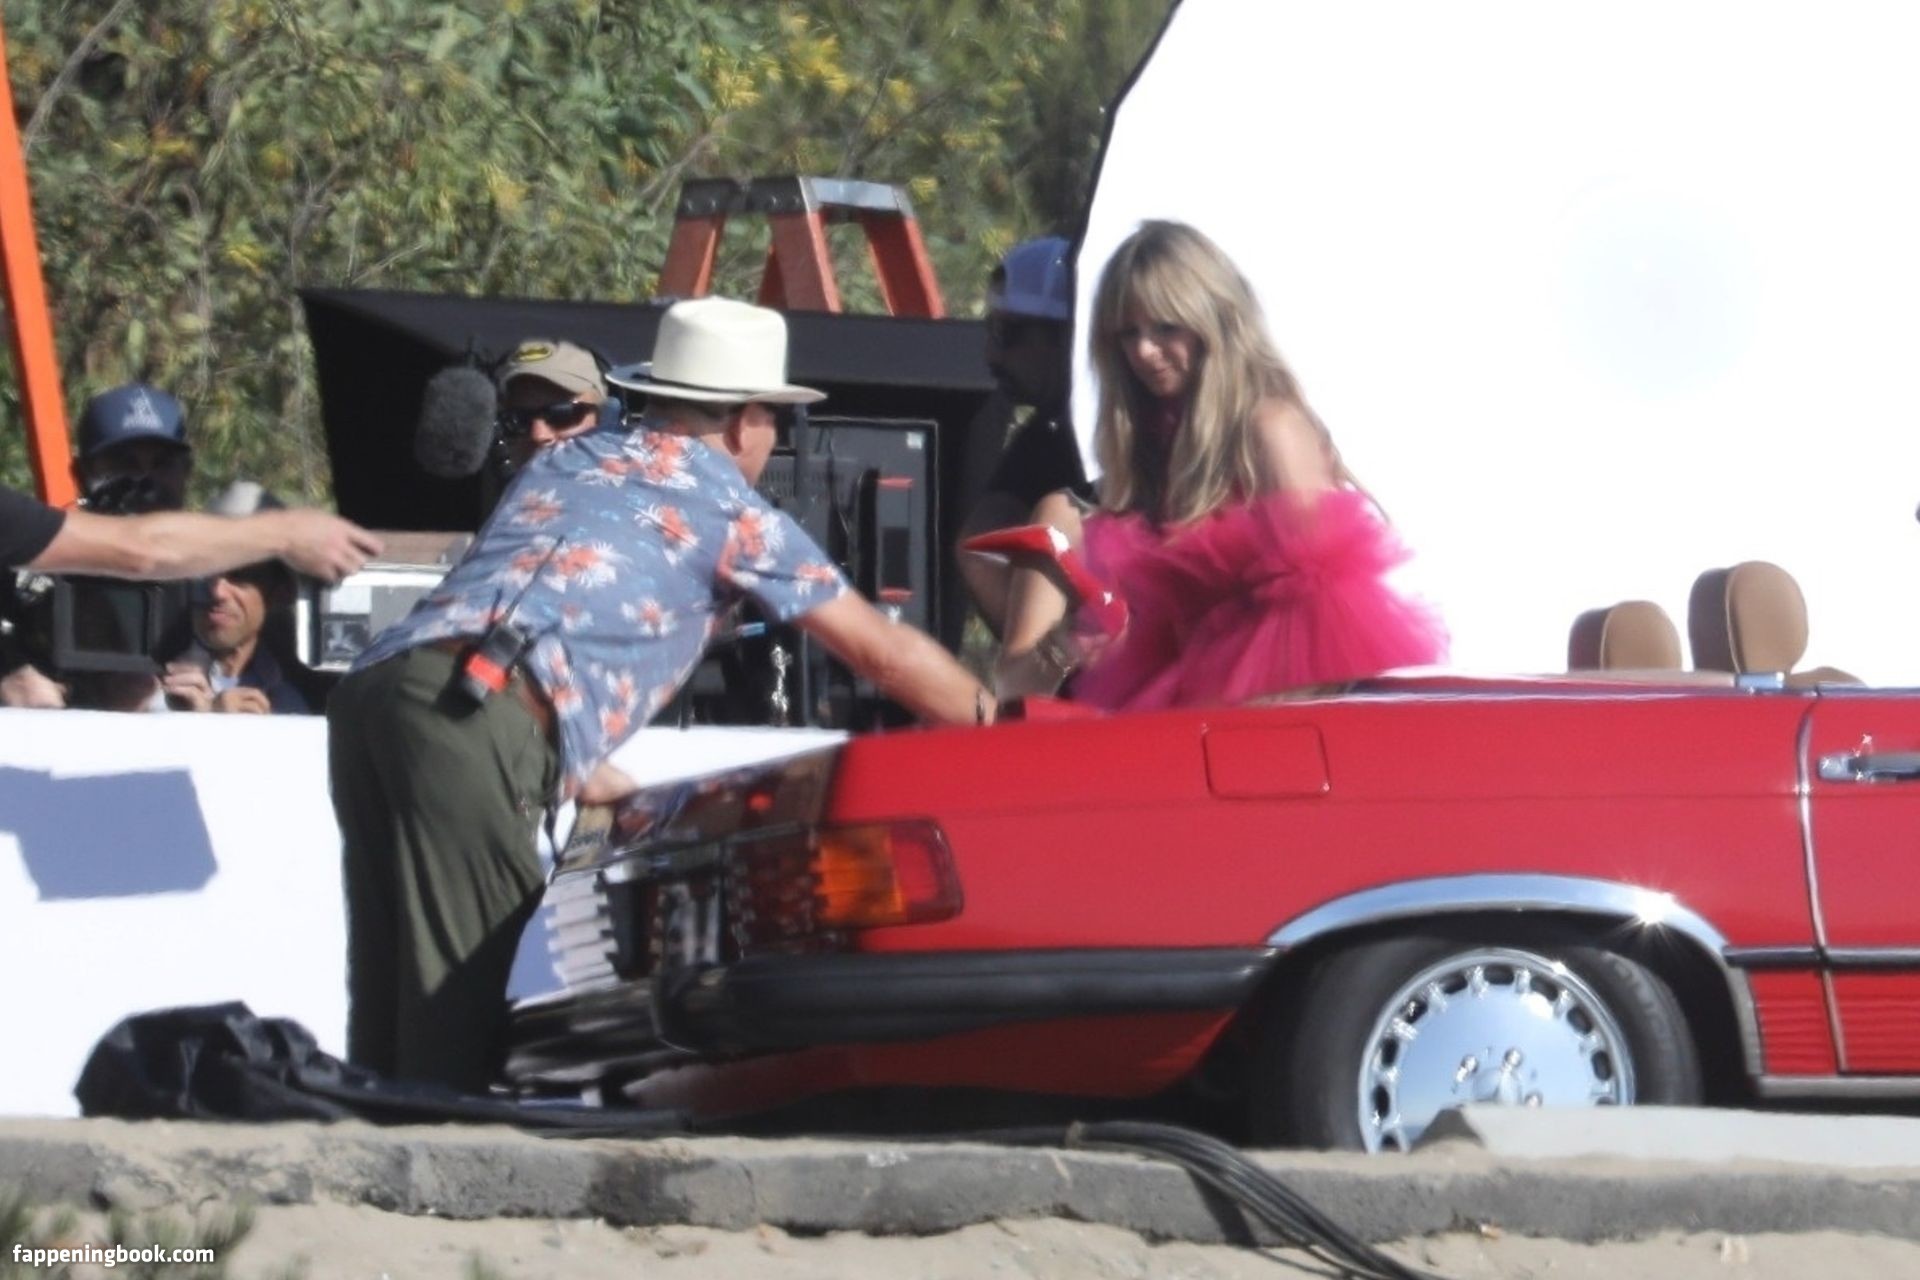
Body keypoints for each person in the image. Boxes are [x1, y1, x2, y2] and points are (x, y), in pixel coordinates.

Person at [327, 296, 995, 1092]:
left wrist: (572, 759)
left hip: (381, 691)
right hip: (479, 711)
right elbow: (881, 650)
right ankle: (437, 1156)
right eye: (774, 419)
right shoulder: (736, 516)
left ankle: (365, 1141)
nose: (773, 438)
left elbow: (550, 599)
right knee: (456, 1008)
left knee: (386, 990)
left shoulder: (564, 461)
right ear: (744, 422)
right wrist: (1001, 726)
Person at [995, 220, 1445, 711]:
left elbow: (1328, 630)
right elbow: (1011, 688)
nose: (1144, 351)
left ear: (1213, 320)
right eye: (1129, 334)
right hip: (1183, 722)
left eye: (1166, 327)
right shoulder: (1136, 472)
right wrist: (1067, 645)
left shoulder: (1269, 431)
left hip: (1266, 724)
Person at [2, 383, 198, 708]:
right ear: (82, 473)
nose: (144, 480)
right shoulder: (30, 565)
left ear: (186, 472)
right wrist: (11, 670)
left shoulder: (215, 584)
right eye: (125, 463)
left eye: (162, 463)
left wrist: (208, 713)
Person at [956, 236, 1092, 636]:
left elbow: (981, 551)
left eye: (1007, 333)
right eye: (991, 330)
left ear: (1067, 333)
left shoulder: (1107, 433)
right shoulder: (1048, 434)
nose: (992, 356)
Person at [161, 483, 324, 715]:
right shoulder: (148, 678)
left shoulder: (286, 700)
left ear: (279, 592)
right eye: (204, 571)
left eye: (240, 576)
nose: (217, 591)